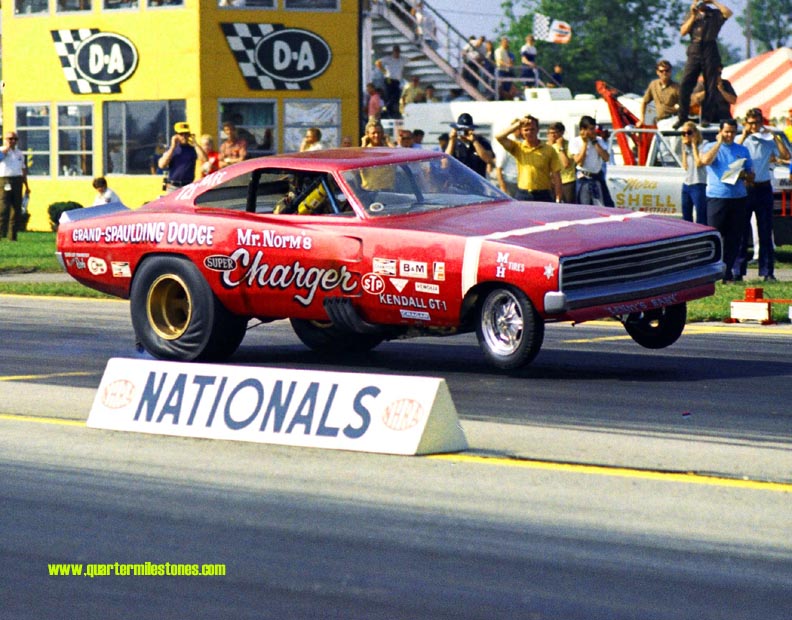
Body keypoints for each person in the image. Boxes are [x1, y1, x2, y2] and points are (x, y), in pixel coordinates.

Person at [735, 108, 789, 281]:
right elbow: (734, 153)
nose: (753, 126)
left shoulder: (766, 140)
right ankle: (738, 271)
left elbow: (785, 154)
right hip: (745, 188)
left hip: (763, 187)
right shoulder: (742, 139)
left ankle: (767, 272)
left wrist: (774, 136)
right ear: (746, 124)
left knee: (765, 230)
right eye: (750, 123)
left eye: (756, 123)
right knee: (742, 231)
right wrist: (744, 134)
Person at [698, 118, 753, 282]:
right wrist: (718, 144)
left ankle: (728, 270)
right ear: (720, 132)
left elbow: (751, 175)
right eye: (727, 131)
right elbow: (705, 161)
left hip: (738, 197)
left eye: (732, 132)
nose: (729, 135)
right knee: (715, 235)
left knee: (734, 237)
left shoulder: (742, 150)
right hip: (717, 197)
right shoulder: (710, 147)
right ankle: (711, 270)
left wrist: (743, 174)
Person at [674, 0, 733, 129]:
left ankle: (707, 117)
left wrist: (713, 2)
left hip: (710, 47)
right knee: (685, 84)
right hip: (695, 48)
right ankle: (682, 117)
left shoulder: (714, 14)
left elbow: (728, 13)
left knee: (710, 85)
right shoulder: (691, 14)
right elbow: (683, 31)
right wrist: (693, 15)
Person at [495, 115, 562, 202]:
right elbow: (499, 137)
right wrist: (518, 124)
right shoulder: (518, 147)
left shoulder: (549, 149)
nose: (529, 132)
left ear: (538, 130)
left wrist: (558, 197)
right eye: (526, 130)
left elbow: (556, 175)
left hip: (543, 194)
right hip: (524, 194)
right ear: (521, 132)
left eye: (532, 129)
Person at [569, 116, 611, 205]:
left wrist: (595, 143)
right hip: (584, 178)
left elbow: (606, 158)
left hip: (597, 177)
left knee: (602, 205)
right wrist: (585, 143)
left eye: (593, 129)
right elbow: (580, 162)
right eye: (591, 129)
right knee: (584, 205)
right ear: (582, 129)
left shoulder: (599, 140)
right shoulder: (575, 141)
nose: (593, 132)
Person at [158, 121, 207, 192]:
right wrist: (173, 147)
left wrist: (195, 143)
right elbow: (161, 165)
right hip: (173, 186)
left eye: (186, 134)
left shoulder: (192, 149)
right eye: (181, 134)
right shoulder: (171, 149)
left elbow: (205, 159)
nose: (184, 137)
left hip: (188, 186)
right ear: (176, 135)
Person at [0, 131, 30, 241]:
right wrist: (6, 150)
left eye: (15, 139)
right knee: (3, 208)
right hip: (5, 180)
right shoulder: (2, 151)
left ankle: (12, 236)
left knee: (16, 208)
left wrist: (26, 185)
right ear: (5, 140)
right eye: (10, 139)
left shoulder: (19, 153)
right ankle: (1, 233)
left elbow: (23, 170)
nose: (12, 141)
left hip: (17, 180)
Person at [445, 113, 495, 177]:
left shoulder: (481, 142)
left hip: (477, 182)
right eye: (461, 130)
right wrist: (452, 140)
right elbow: (445, 163)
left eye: (466, 130)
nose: (463, 133)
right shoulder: (452, 143)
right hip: (457, 182)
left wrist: (475, 142)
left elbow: (489, 160)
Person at [680, 121, 708, 223]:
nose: (686, 135)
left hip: (699, 183)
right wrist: (684, 148)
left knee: (701, 214)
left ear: (695, 133)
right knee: (686, 214)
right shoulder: (686, 147)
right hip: (687, 183)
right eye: (683, 133)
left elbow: (699, 163)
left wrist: (694, 146)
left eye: (689, 132)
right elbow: (685, 166)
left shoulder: (704, 145)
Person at [639, 60, 680, 126]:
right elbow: (644, 102)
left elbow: (685, 103)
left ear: (670, 71)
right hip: (660, 122)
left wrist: (678, 106)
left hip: (674, 120)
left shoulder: (677, 87)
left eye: (667, 70)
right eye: (661, 71)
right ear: (657, 72)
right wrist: (642, 119)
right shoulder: (653, 85)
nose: (664, 73)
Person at [547, 122, 576, 203]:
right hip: (553, 182)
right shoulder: (547, 147)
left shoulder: (568, 145)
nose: (552, 135)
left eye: (555, 133)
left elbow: (566, 164)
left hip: (567, 181)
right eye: (550, 133)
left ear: (561, 132)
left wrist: (560, 147)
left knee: (569, 206)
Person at [375, 45, 406, 119]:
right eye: (395, 51)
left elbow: (411, 59)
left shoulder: (401, 59)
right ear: (393, 52)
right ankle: (387, 109)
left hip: (396, 81)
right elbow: (377, 62)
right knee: (390, 95)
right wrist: (384, 71)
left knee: (396, 95)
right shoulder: (388, 59)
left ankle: (392, 111)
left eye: (398, 51)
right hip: (389, 79)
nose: (397, 53)